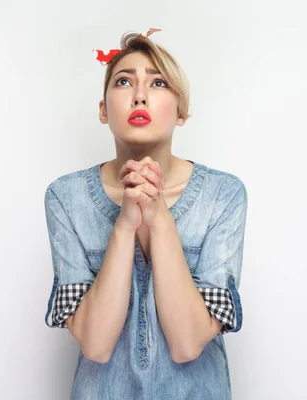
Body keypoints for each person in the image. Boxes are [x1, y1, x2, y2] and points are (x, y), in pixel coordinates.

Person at [43, 29, 248, 400]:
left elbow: (187, 343)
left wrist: (159, 217)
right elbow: (95, 344)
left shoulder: (223, 195)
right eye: (124, 81)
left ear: (181, 110)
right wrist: (125, 224)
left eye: (157, 83)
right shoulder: (66, 197)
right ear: (104, 110)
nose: (139, 95)